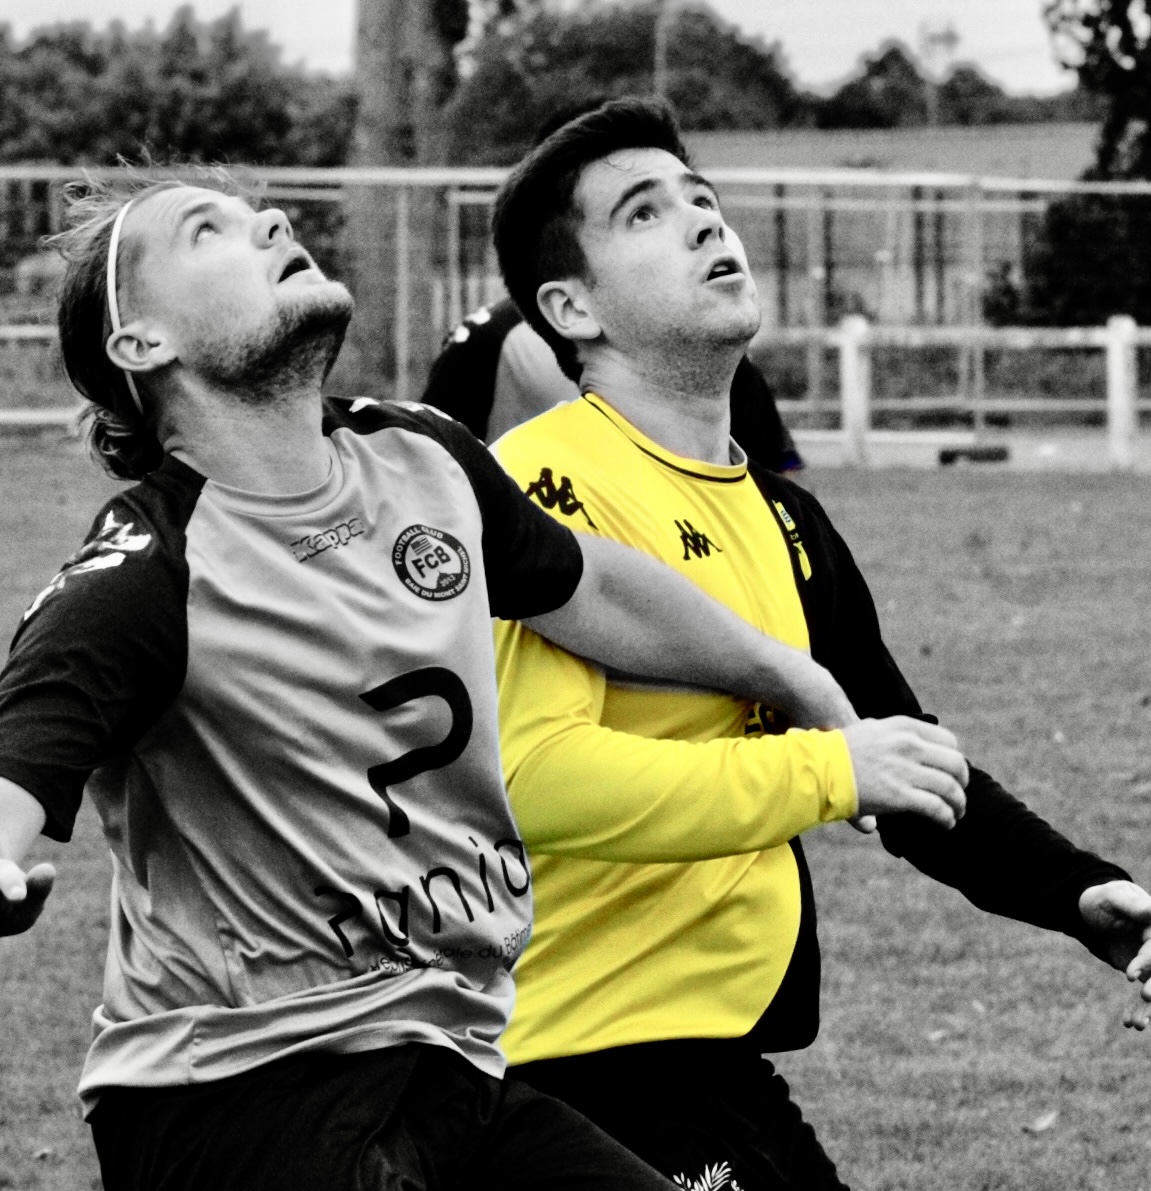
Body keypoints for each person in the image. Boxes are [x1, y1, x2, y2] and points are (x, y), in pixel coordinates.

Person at [0, 172, 970, 1191]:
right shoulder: (147, 570)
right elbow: (8, 768)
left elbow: (590, 587)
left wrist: (794, 679)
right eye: (206, 230)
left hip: (447, 1065)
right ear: (141, 343)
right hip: (237, 1094)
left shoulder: (422, 459)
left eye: (258, 210)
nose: (269, 221)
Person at [487, 97, 1151, 1191]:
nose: (704, 222)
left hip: (709, 1061)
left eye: (702, 198)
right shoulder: (537, 493)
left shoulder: (787, 522)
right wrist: (829, 769)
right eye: (645, 213)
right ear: (572, 306)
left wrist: (1081, 895)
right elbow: (536, 776)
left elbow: (902, 757)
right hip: (569, 1064)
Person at [421, 295, 803, 472]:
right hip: (538, 573)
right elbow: (429, 466)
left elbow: (778, 471)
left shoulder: (703, 337)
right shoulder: (490, 337)